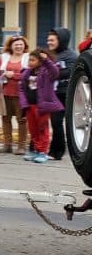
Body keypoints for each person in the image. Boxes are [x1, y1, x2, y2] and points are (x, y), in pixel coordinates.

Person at [19, 48, 63, 163]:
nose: (29, 62)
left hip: (42, 107)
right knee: (33, 129)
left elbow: (56, 72)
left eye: (32, 60)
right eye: (29, 60)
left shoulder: (46, 72)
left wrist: (46, 60)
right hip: (30, 106)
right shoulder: (26, 72)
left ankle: (42, 152)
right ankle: (35, 150)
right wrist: (24, 103)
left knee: (42, 129)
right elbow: (22, 88)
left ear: (39, 61)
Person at [0, 35, 30, 154]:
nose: (18, 46)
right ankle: (7, 145)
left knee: (21, 119)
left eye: (21, 44)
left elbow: (30, 75)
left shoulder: (28, 58)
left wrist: (15, 75)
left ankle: (22, 146)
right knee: (5, 118)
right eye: (16, 44)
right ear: (11, 46)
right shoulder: (4, 57)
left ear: (24, 46)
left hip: (21, 94)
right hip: (4, 93)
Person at [47, 28, 77, 160]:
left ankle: (65, 151)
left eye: (52, 40)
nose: (49, 42)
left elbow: (68, 73)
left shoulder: (71, 56)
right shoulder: (49, 54)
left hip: (67, 94)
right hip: (54, 93)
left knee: (66, 123)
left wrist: (52, 73)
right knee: (55, 122)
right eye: (48, 40)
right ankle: (55, 151)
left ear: (61, 40)